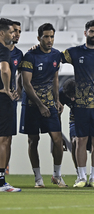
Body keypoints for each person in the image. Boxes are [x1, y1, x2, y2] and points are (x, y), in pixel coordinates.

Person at [20, 23, 66, 188]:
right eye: (46, 36)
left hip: (50, 104)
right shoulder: (30, 56)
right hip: (32, 105)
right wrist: (40, 105)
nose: (49, 40)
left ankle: (57, 175)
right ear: (39, 38)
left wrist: (57, 100)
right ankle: (38, 178)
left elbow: (55, 78)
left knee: (57, 139)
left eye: (52, 36)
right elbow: (26, 84)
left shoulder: (56, 55)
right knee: (33, 140)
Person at [61, 20, 94, 188]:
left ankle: (93, 178)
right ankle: (81, 177)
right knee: (80, 141)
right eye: (92, 31)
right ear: (85, 32)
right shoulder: (74, 52)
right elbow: (53, 58)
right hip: (80, 106)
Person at [59, 79, 94, 185]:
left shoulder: (92, 90)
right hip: (76, 120)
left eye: (74, 95)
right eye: (69, 96)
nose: (72, 98)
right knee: (76, 141)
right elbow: (57, 112)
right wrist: (58, 134)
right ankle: (81, 175)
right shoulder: (61, 93)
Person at [0, 18, 21, 192]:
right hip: (2, 99)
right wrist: (7, 89)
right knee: (4, 139)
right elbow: (5, 70)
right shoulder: (3, 50)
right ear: (2, 33)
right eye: (10, 32)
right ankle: (0, 181)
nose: (13, 35)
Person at [6, 21, 23, 172]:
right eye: (14, 31)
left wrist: (18, 88)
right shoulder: (2, 51)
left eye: (19, 31)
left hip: (9, 100)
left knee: (7, 138)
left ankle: (3, 170)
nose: (17, 34)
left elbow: (19, 74)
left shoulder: (19, 54)